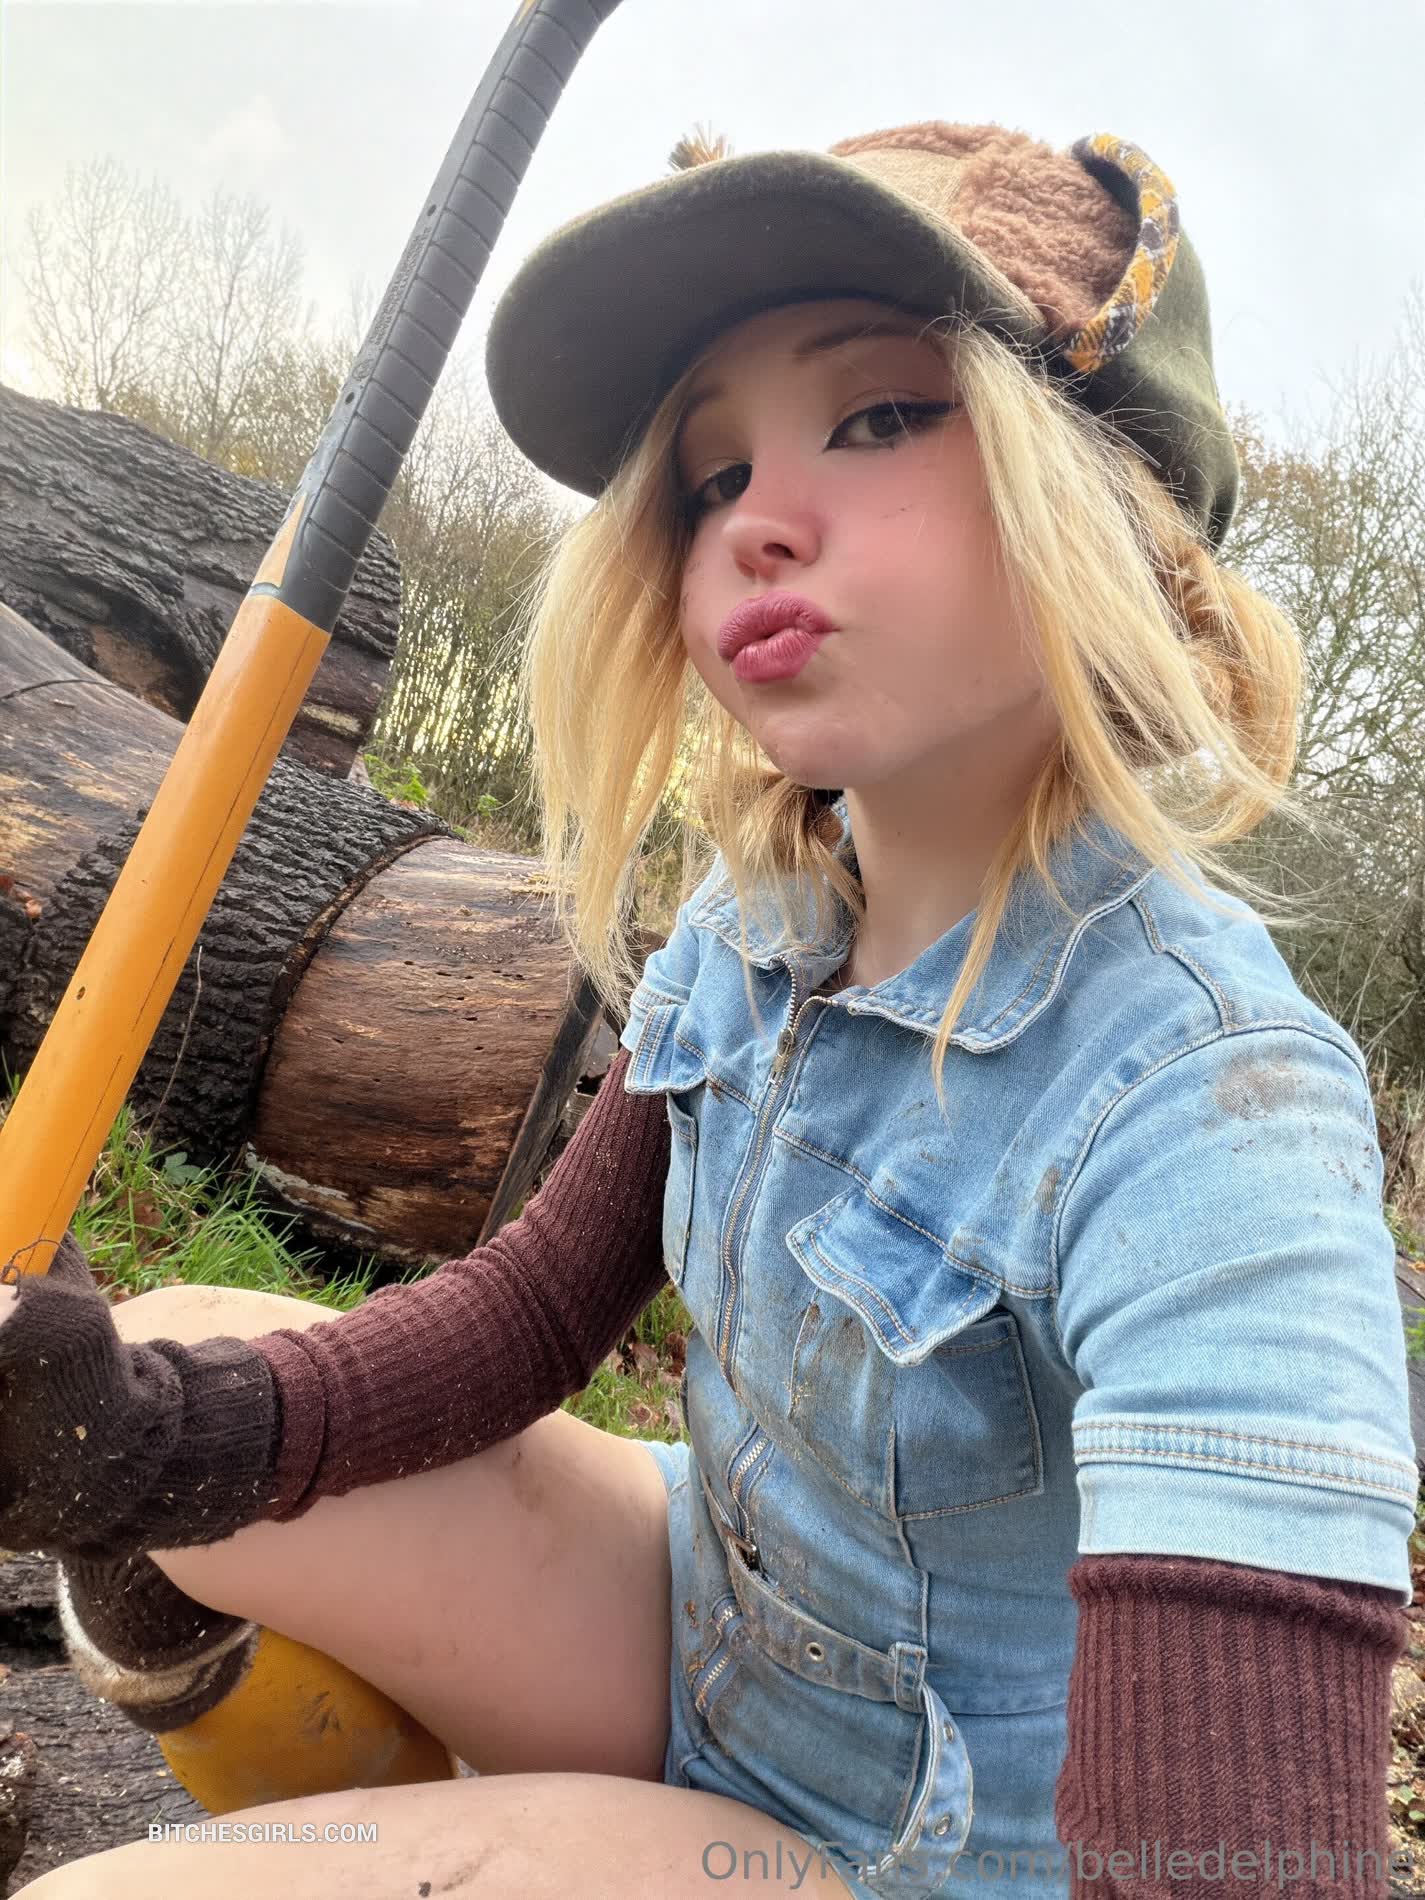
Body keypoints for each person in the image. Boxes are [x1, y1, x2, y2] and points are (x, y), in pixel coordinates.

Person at [0, 117, 1416, 1899]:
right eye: (711, 470)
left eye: (879, 415)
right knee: (176, 1359)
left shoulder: (1217, 1113)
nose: (755, 522)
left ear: (1107, 498)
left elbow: (1234, 1854)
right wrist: (132, 1442)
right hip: (707, 1624)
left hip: (901, 1854)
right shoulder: (762, 922)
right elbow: (529, 1316)